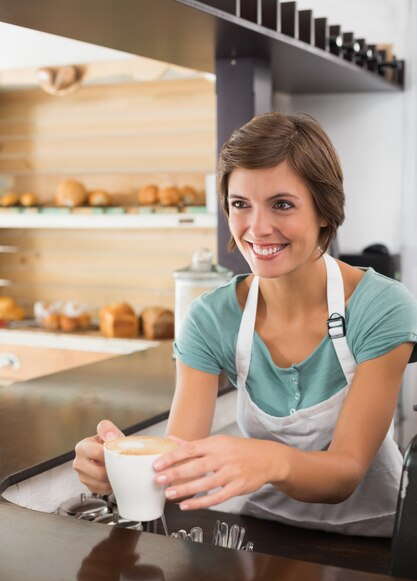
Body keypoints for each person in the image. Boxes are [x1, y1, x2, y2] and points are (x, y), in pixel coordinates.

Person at [73, 112, 417, 536]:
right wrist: (119, 467)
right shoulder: (211, 317)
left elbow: (344, 474)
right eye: (241, 205)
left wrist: (268, 459)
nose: (257, 229)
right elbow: (179, 457)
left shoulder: (380, 306)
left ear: (325, 211)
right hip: (263, 531)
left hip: (371, 538)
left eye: (283, 204)